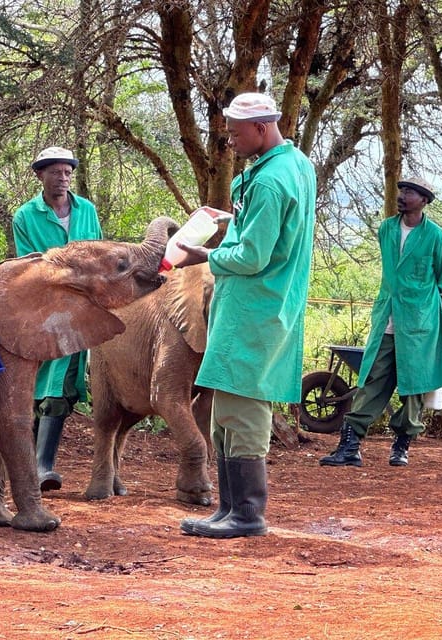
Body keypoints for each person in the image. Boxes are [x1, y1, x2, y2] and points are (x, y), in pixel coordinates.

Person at [176, 92, 317, 538]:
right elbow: (266, 231)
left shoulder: (272, 180)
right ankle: (229, 508)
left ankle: (248, 514)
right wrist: (231, 220)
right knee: (226, 410)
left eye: (236, 134)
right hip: (264, 303)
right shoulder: (294, 164)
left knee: (243, 408)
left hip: (254, 305)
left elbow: (254, 256)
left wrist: (203, 254)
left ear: (261, 128)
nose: (231, 142)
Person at [319, 177, 442, 468]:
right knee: (371, 381)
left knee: (414, 387)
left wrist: (437, 320)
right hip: (387, 319)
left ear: (424, 200)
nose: (402, 195)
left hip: (421, 324)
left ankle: (402, 444)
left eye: (410, 192)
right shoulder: (387, 229)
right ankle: (350, 446)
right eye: (401, 190)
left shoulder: (436, 237)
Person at [12, 146, 102, 491]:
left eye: (67, 173)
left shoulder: (86, 210)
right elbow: (32, 262)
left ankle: (37, 465)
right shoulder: (26, 216)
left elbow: (96, 251)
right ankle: (37, 465)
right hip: (45, 304)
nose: (62, 179)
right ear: (40, 175)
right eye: (55, 172)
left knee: (65, 381)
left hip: (83, 305)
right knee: (46, 380)